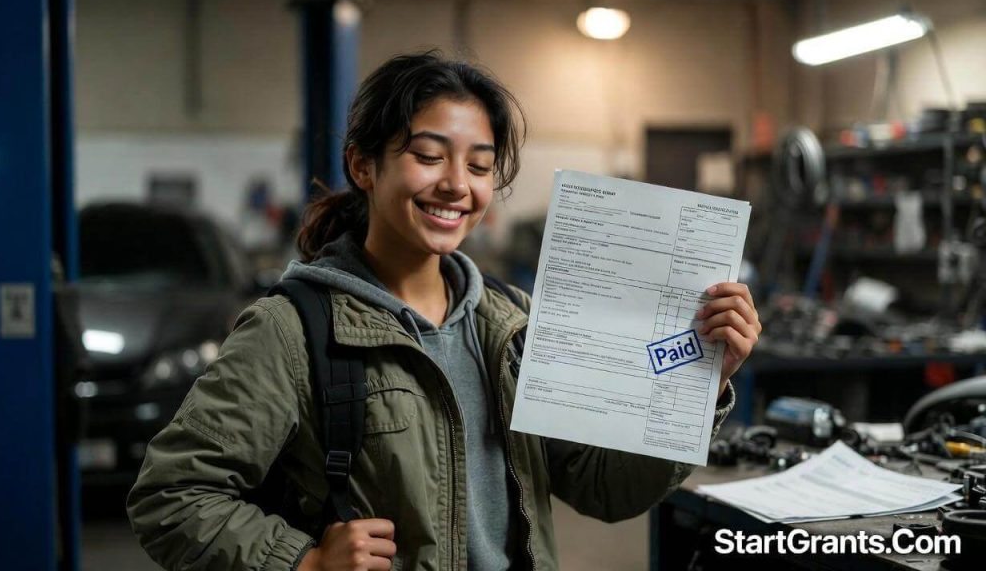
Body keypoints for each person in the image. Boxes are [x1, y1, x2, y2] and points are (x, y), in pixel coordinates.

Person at [127, 51, 762, 571]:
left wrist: (703, 378)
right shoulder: (292, 331)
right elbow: (172, 496)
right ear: (363, 166)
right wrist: (303, 562)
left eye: (480, 166)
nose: (458, 184)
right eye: (429, 156)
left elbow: (602, 486)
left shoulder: (513, 327)